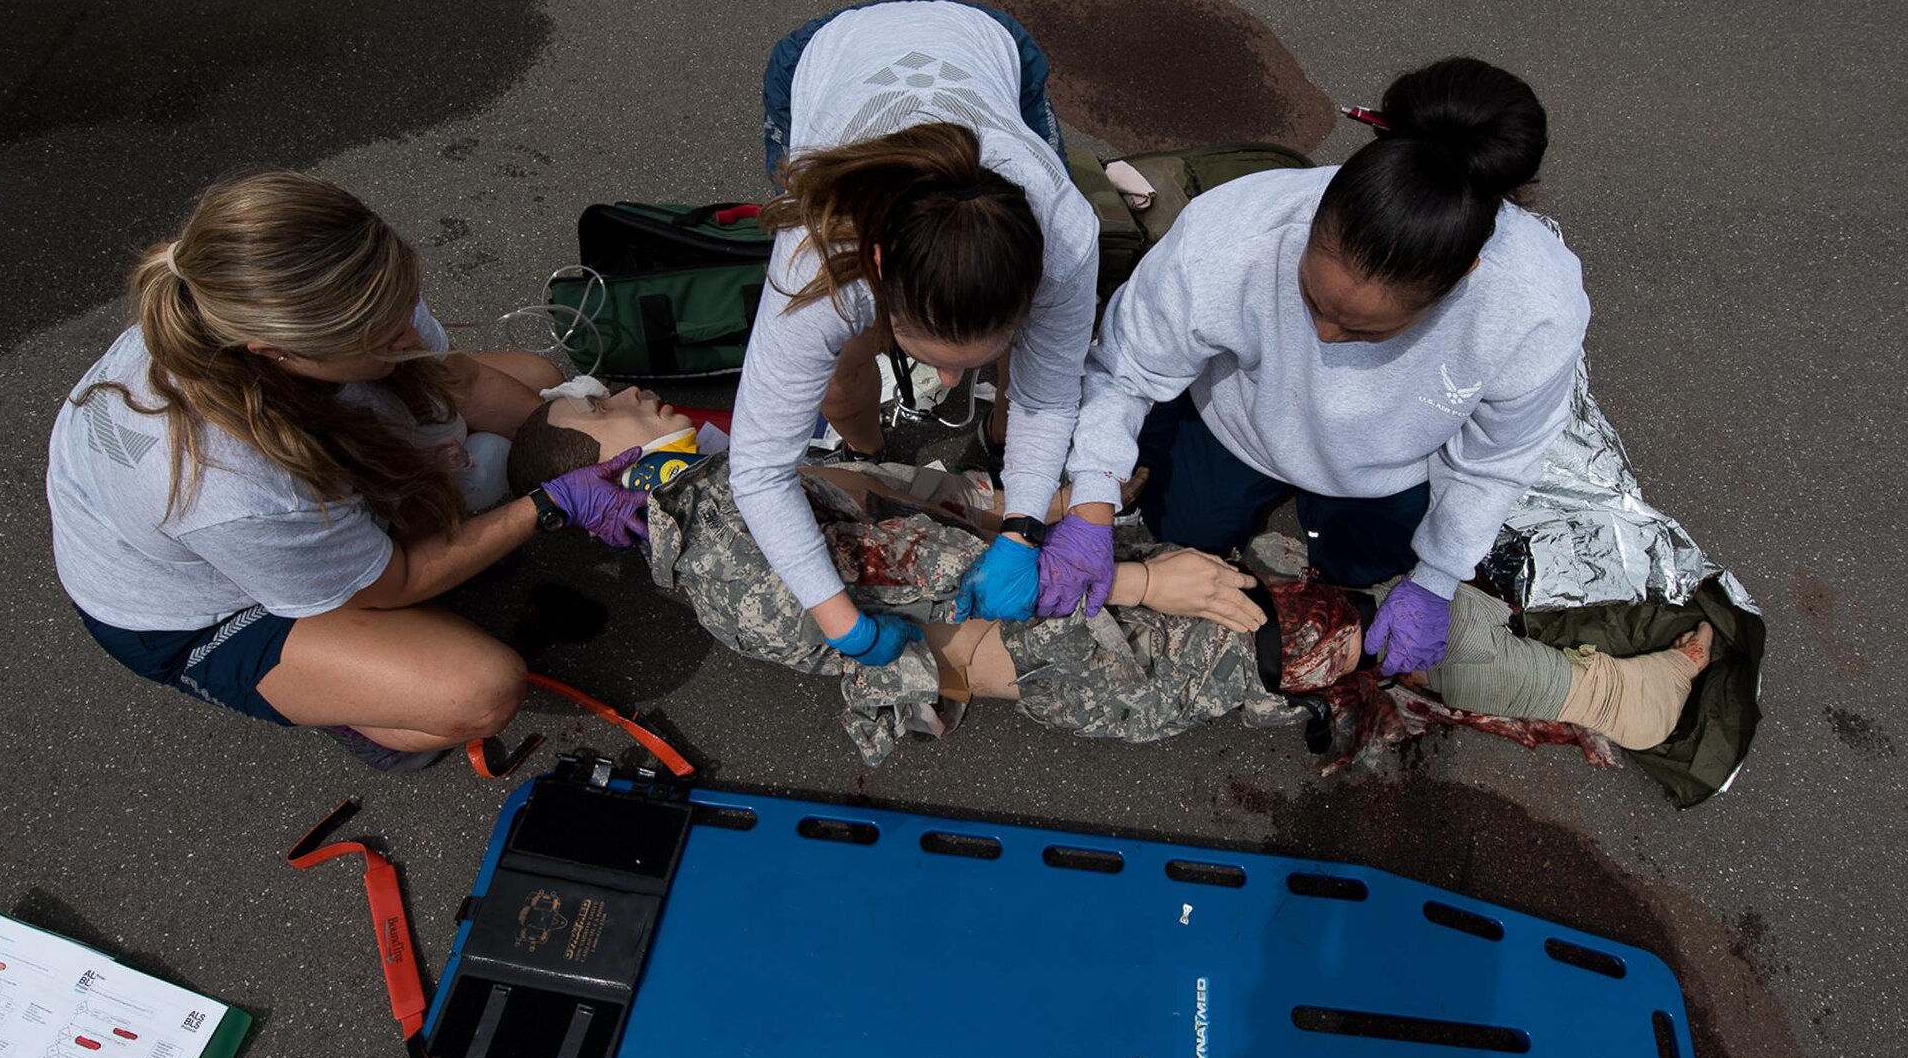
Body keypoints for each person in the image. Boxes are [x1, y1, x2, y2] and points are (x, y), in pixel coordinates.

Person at [505, 404, 1712, 768]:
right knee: (1321, 624)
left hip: (1060, 610)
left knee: (1333, 567)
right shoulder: (725, 547)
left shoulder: (721, 498)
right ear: (616, 467)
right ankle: (1616, 702)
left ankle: (1549, 667)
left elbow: (918, 507)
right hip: (1085, 648)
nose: (653, 401)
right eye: (619, 408)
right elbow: (949, 585)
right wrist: (1142, 576)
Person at [46, 171, 648, 772]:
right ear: (278, 349)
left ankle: (386, 569)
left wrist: (566, 444)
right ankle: (359, 708)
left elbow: (458, 379)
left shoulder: (321, 295)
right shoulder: (229, 483)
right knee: (477, 689)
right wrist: (549, 502)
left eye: (403, 308)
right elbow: (394, 581)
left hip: (286, 482)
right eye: (385, 338)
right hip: (200, 614)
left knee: (537, 381)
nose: (411, 335)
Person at [1054, 57, 1591, 681]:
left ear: (1460, 279)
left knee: (1359, 574)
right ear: (1313, 218)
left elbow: (1495, 459)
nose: (1324, 338)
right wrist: (1091, 495)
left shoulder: (1532, 310)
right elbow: (1125, 369)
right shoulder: (1229, 237)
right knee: (1181, 528)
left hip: (1390, 467)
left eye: (1365, 331)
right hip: (1238, 424)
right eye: (1311, 300)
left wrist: (1439, 577)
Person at [730, 0, 1101, 666]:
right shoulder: (819, 259)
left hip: (990, 46)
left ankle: (995, 445)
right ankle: (869, 452)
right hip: (826, 53)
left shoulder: (1067, 238)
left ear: (1036, 279)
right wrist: (842, 622)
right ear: (875, 267)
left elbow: (1050, 394)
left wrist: (1022, 529)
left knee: (1039, 374)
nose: (951, 384)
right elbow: (758, 470)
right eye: (932, 358)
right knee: (838, 368)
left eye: (980, 358)